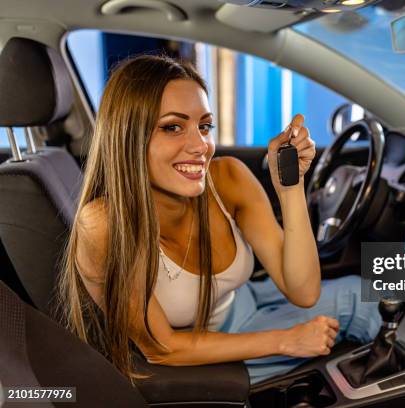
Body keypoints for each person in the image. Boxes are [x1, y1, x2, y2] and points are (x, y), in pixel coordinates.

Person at [58, 54, 381, 384]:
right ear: (128, 137)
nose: (200, 146)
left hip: (242, 300)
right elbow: (161, 348)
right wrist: (288, 339)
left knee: (379, 284)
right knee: (364, 299)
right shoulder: (104, 225)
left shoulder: (228, 177)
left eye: (204, 126)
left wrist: (290, 187)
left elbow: (304, 291)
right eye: (172, 127)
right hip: (205, 352)